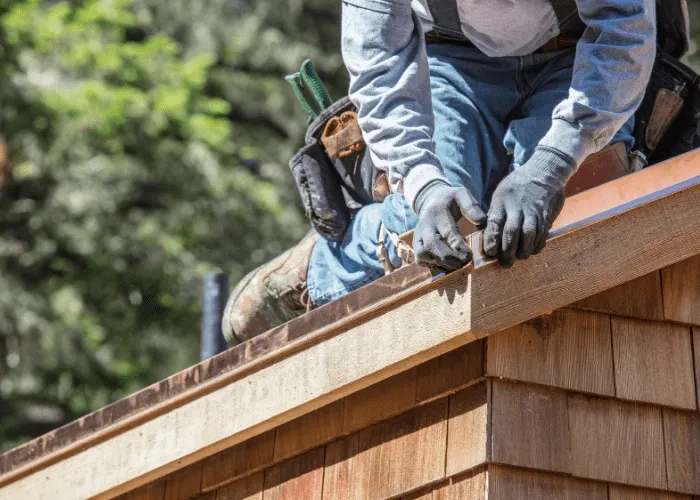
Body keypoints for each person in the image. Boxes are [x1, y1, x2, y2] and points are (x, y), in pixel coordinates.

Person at [222, 0, 656, 345]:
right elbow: (379, 67)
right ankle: (324, 267)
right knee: (439, 227)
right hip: (451, 59)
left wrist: (549, 167)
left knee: (583, 206)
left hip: (578, 55)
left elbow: (623, 31)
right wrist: (424, 185)